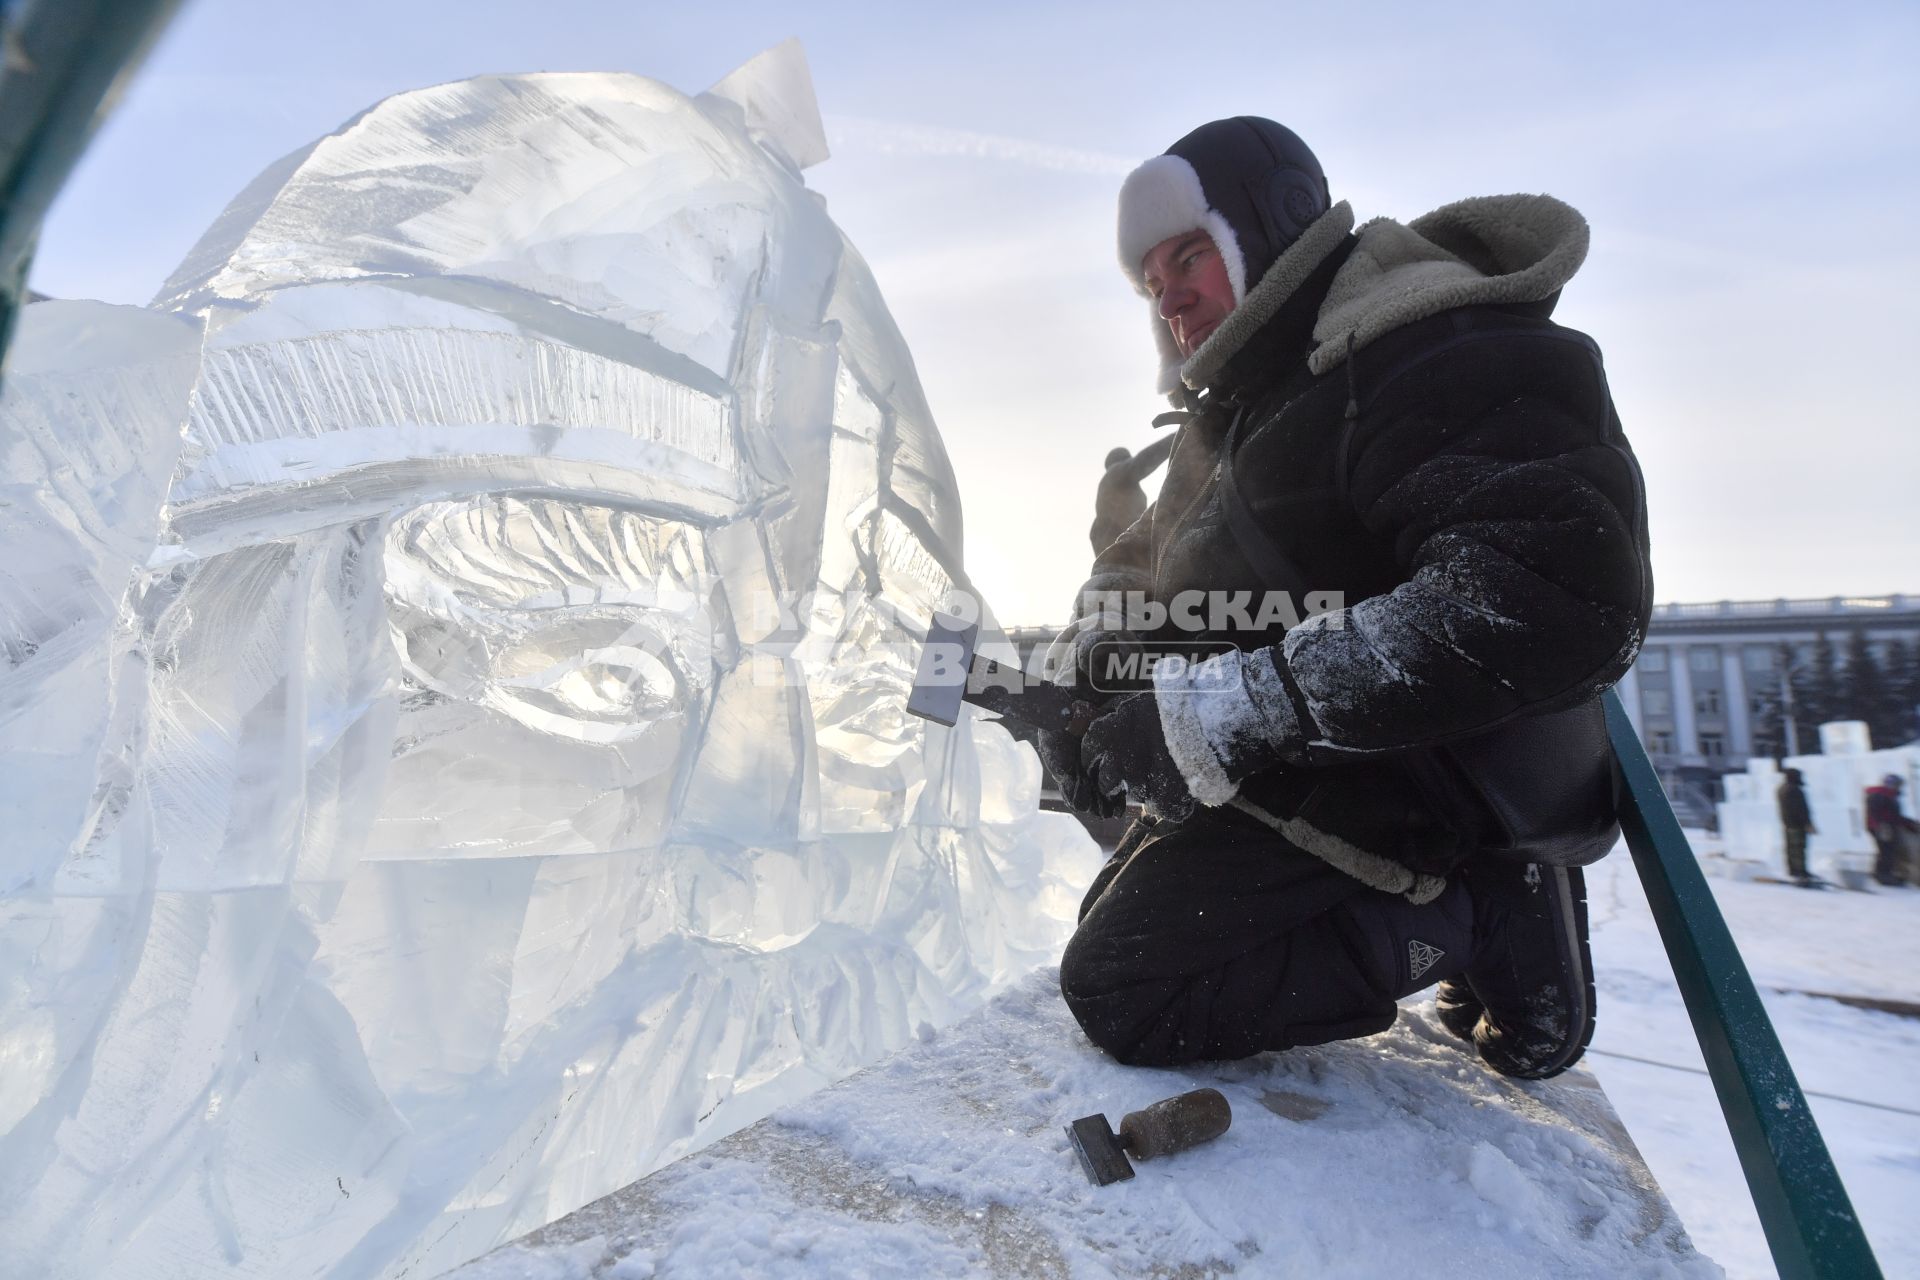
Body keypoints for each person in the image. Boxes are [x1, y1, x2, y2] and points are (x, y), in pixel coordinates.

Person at [1036, 117, 1651, 1080]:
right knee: (1112, 925)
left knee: (1127, 987)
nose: (1170, 298)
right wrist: (1089, 668)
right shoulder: (1244, 407)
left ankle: (1488, 905)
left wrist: (1230, 714)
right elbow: (1160, 564)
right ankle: (1442, 912)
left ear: (1272, 224)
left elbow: (1553, 593)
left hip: (1426, 767)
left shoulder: (1432, 344)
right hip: (1318, 758)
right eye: (1150, 283)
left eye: (1189, 254)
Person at [1090, 436, 1176, 555]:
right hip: (1125, 549)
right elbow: (1142, 461)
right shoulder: (1114, 474)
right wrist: (1177, 436)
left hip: (1125, 549)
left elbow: (1093, 533)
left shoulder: (1111, 488)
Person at [1865, 774, 1917, 887]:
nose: (1899, 788)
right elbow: (1874, 813)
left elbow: (1895, 816)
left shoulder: (1890, 796)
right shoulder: (1878, 795)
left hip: (1888, 827)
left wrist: (1911, 824)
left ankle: (1885, 873)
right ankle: (1882, 875)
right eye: (1897, 785)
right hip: (1882, 828)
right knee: (1886, 851)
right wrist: (1881, 826)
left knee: (1889, 850)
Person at [1775, 767, 1816, 885]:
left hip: (1788, 823)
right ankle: (1800, 871)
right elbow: (1800, 809)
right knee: (1798, 848)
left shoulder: (1782, 789)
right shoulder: (1794, 790)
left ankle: (1793, 870)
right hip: (1797, 824)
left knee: (1791, 848)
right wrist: (1807, 823)